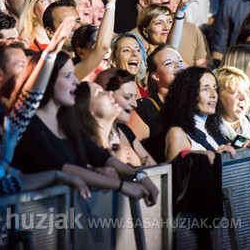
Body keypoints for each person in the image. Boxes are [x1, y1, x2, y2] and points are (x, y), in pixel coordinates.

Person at [12, 52, 159, 205]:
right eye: (68, 76)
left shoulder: (67, 120)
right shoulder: (28, 125)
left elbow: (101, 157)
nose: (76, 82)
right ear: (47, 79)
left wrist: (140, 176)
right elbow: (59, 167)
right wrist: (122, 185)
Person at [95, 68, 155, 166]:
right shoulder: (91, 133)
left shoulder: (124, 130)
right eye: (127, 97)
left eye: (134, 97)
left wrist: (139, 165)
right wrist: (137, 168)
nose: (134, 104)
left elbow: (155, 167)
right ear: (107, 95)